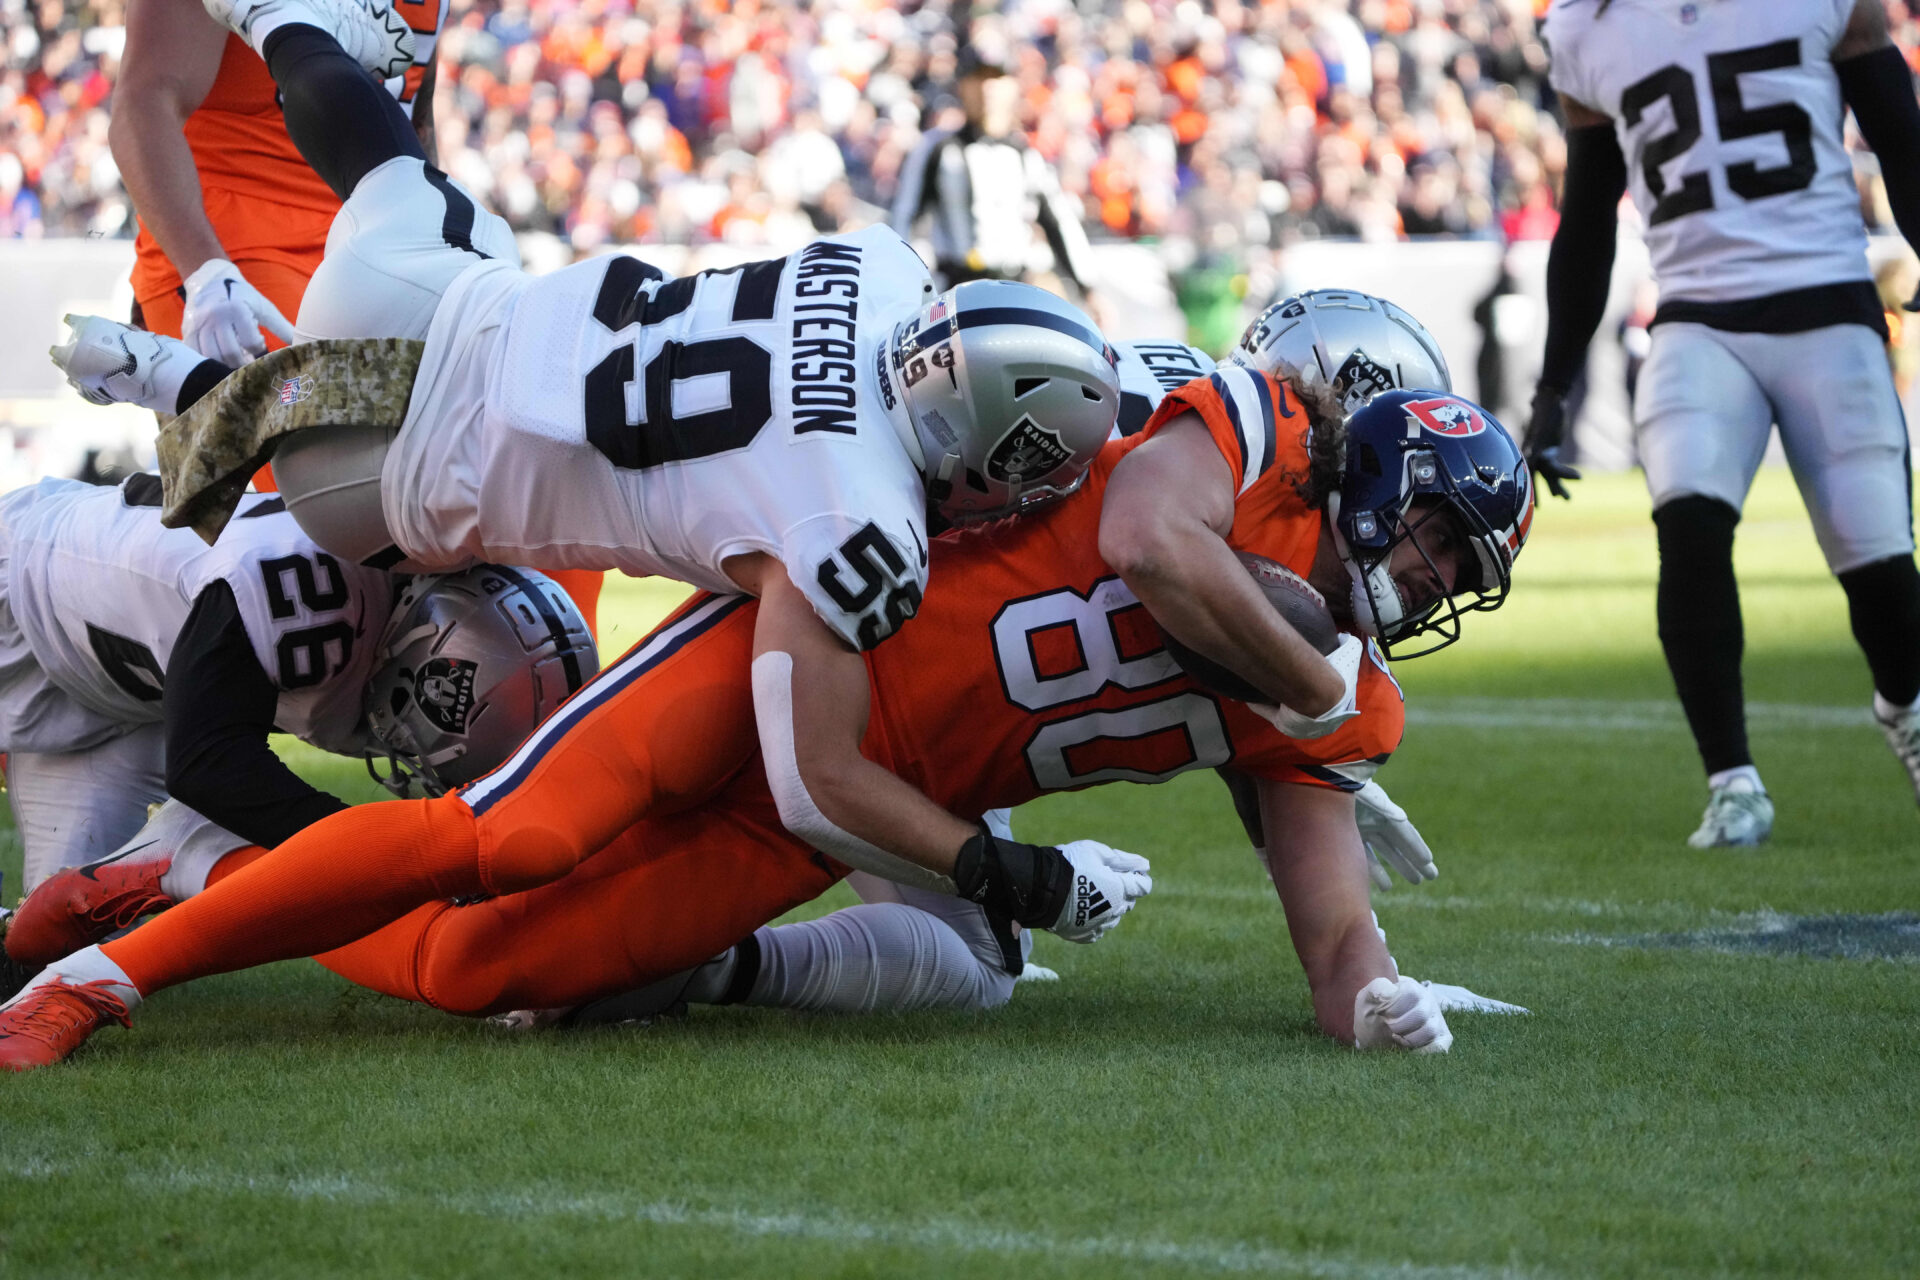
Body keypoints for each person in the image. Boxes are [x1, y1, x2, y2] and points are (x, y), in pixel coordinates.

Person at [0, 357, 1533, 1068]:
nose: (1435, 574)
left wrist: (1375, 1008)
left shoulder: (1335, 703)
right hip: (792, 648)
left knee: (487, 973)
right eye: (1440, 536)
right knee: (515, 835)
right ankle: (99, 985)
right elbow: (1148, 547)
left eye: (1460, 567)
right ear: (1384, 471)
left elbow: (1336, 944)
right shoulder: (1249, 437)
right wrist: (1315, 673)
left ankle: (191, 878)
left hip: (875, 802)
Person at [52, 0, 1156, 912]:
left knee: (410, 189)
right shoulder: (860, 520)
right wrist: (1022, 878)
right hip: (381, 489)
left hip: (426, 290)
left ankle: (282, 32)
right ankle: (205, 405)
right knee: (520, 686)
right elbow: (816, 782)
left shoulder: (879, 265)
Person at [1526, 0, 1920, 845]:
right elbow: (1589, 215)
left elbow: (1901, 132)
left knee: (1882, 571)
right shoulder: (1586, 28)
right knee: (1691, 529)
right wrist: (1552, 387)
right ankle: (1733, 781)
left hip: (1829, 312)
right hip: (1698, 321)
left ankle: (1906, 707)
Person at [0, 472, 592, 898]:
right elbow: (209, 764)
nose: (410, 753)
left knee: (44, 942)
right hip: (22, 597)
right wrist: (376, 861)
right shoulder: (307, 590)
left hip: (124, 704)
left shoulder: (410, 589)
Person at [890, 48, 1103, 304]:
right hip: (955, 291)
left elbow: (1058, 222)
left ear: (1012, 87)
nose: (987, 89)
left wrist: (1089, 288)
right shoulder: (936, 149)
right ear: (962, 87)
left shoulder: (1027, 154)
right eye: (978, 79)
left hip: (1015, 287)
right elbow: (904, 219)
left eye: (996, 79)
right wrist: (898, 287)